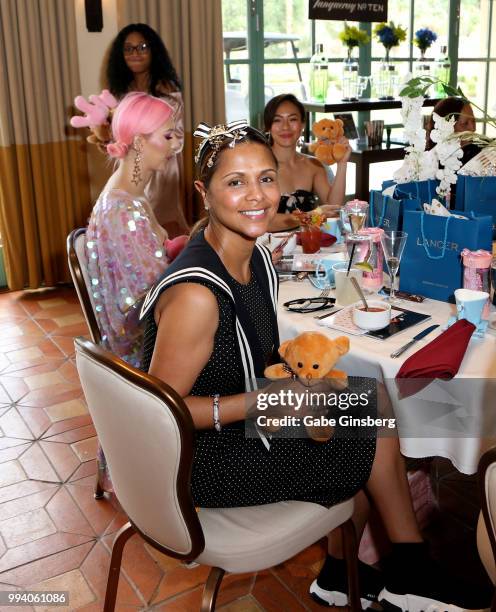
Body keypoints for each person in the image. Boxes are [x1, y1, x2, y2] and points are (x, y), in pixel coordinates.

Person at [138, 121, 487, 611]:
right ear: (203, 191)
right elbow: (158, 413)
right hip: (207, 462)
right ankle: (406, 572)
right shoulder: (197, 294)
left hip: (246, 423)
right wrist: (268, 401)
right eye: (235, 182)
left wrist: (298, 390)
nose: (256, 195)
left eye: (266, 177)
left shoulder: (254, 257)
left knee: (369, 399)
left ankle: (349, 573)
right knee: (367, 430)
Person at [86, 92, 182, 370]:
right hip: (144, 356)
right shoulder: (121, 210)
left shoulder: (133, 195)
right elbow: (153, 301)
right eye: (168, 137)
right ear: (139, 142)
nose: (176, 145)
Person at [105, 23, 188, 234]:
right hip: (131, 162)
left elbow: (176, 139)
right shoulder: (120, 91)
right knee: (129, 221)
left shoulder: (167, 90)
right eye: (128, 48)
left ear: (153, 51)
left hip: (162, 164)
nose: (135, 53)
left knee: (161, 222)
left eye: (142, 47)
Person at [264, 93, 351, 231]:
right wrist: (310, 216)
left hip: (306, 247)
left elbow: (333, 208)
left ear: (302, 124)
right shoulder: (258, 166)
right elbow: (262, 221)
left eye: (292, 119)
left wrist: (342, 164)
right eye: (277, 120)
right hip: (266, 248)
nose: (285, 127)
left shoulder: (313, 165)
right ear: (268, 126)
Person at [426, 97, 479, 166]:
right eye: (465, 123)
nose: (473, 129)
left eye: (473, 121)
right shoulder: (430, 162)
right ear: (446, 127)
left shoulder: (478, 154)